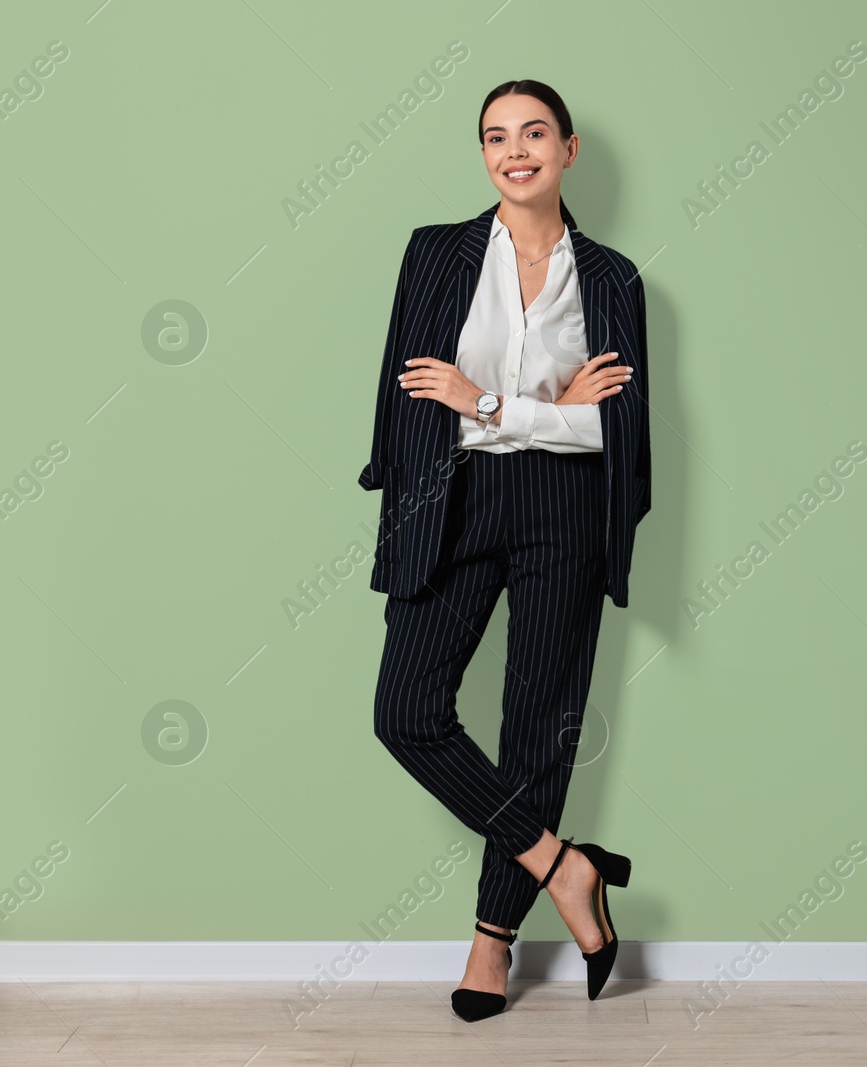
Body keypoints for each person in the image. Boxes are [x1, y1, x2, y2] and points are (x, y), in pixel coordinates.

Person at [360, 78, 652, 1022]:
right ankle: (568, 871)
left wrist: (489, 403)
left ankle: (492, 947)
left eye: (534, 133)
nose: (514, 150)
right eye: (496, 137)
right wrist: (552, 409)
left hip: (564, 510)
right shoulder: (436, 255)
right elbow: (412, 394)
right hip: (451, 497)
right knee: (406, 711)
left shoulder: (611, 280)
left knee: (538, 723)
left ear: (568, 150)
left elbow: (618, 435)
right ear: (484, 155)